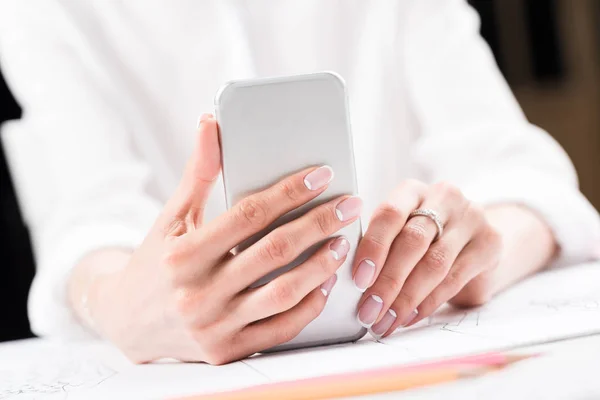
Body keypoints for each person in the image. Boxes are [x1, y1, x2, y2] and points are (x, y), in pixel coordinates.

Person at [0, 0, 598, 365]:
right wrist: (113, 301)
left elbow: (526, 178)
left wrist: (472, 255)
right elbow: (88, 217)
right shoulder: (47, 8)